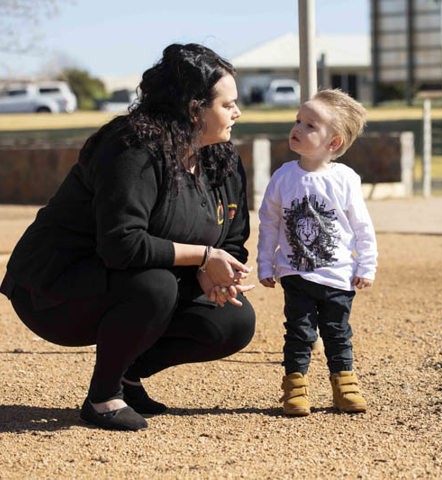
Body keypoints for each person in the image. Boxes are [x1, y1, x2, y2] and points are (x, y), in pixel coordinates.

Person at [0, 43, 256, 431]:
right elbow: (122, 244)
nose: (237, 113)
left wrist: (215, 273)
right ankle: (103, 398)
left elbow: (232, 239)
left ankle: (128, 375)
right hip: (56, 290)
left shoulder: (221, 158)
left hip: (134, 283)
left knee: (233, 320)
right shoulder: (133, 147)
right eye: (228, 105)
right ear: (194, 109)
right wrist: (204, 258)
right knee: (155, 285)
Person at [257, 89, 377, 416]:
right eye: (298, 120)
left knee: (338, 334)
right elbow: (268, 222)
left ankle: (345, 386)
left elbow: (362, 226)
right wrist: (265, 264)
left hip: (338, 276)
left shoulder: (346, 179)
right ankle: (295, 389)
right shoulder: (283, 177)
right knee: (299, 333)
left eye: (310, 125)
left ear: (333, 143)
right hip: (295, 273)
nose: (297, 128)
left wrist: (367, 265)